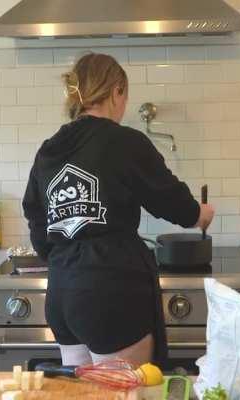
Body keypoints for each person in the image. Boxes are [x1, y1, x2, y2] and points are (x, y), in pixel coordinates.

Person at [22, 53, 215, 368]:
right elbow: (169, 199)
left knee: (83, 394)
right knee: (126, 392)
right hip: (111, 290)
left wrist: (71, 259)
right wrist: (199, 214)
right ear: (116, 92)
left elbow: (37, 223)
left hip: (63, 292)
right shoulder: (124, 142)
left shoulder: (49, 150)